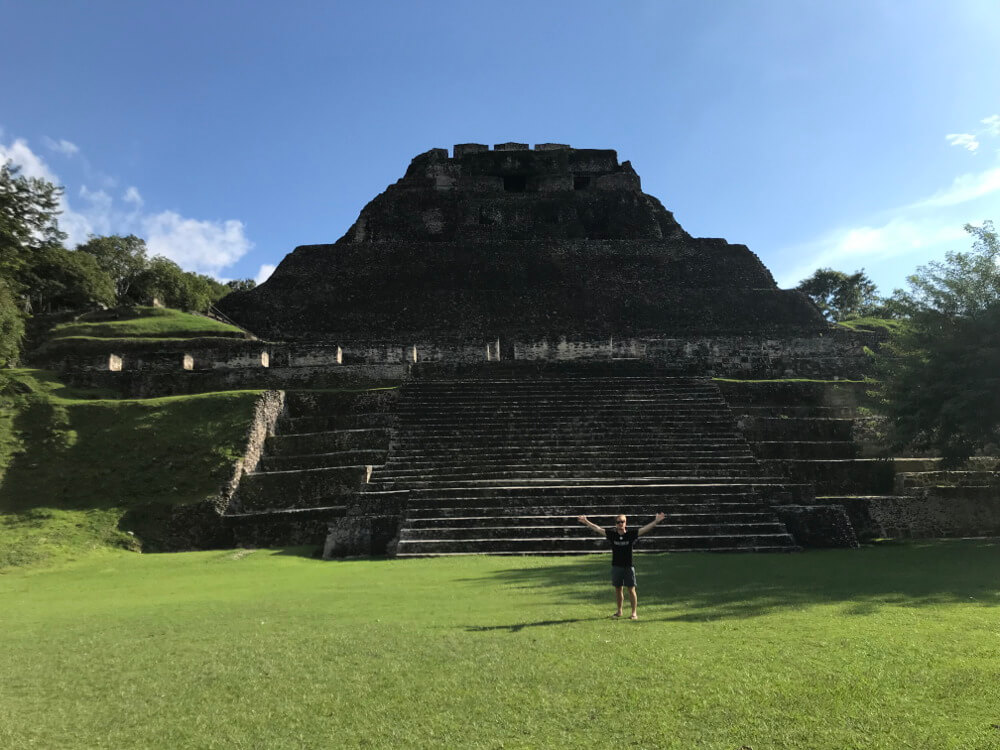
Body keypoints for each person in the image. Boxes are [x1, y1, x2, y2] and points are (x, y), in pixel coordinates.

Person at [577, 511, 666, 620]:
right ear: (615, 524)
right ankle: (619, 611)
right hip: (616, 566)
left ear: (625, 523)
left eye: (623, 522)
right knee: (618, 589)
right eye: (618, 522)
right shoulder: (612, 535)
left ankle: (634, 613)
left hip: (628, 567)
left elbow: (645, 529)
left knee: (631, 590)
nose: (620, 524)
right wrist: (586, 521)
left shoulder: (630, 535)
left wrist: (656, 521)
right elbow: (598, 529)